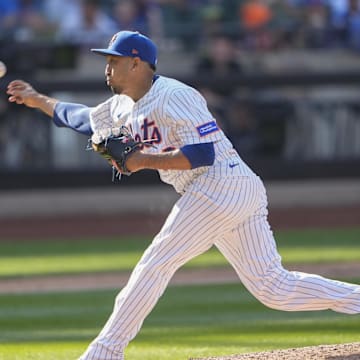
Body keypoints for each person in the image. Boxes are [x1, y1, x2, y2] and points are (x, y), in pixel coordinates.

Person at [6, 30, 360, 360]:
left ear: (136, 63)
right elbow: (82, 117)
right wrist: (38, 100)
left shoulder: (175, 95)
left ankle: (105, 352)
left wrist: (141, 160)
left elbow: (203, 153)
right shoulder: (120, 107)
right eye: (106, 61)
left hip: (220, 182)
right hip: (223, 191)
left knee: (155, 263)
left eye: (114, 61)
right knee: (273, 288)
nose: (107, 69)